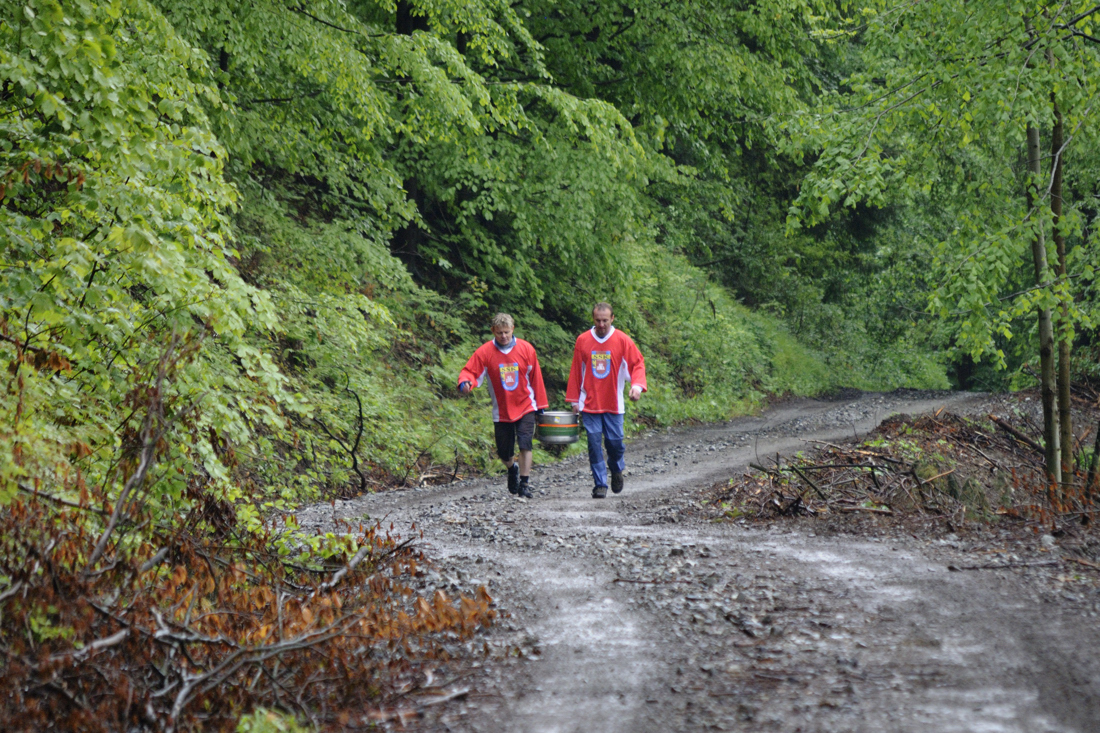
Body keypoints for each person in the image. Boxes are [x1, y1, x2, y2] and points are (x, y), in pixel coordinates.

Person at [458, 313, 548, 499]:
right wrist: (465, 383)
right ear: (493, 331)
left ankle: (524, 483)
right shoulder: (485, 352)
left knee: (525, 443)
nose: (503, 336)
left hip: (525, 405)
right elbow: (470, 371)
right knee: (504, 451)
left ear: (513, 329)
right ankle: (512, 468)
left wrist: (541, 406)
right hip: (502, 409)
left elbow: (536, 378)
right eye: (499, 333)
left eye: (506, 332)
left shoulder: (526, 349)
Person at [566, 302, 647, 499]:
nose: (601, 324)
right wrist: (574, 400)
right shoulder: (583, 340)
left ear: (612, 319)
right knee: (594, 444)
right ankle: (600, 484)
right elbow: (576, 371)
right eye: (597, 320)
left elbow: (637, 364)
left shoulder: (622, 340)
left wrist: (636, 387)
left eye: (605, 320)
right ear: (593, 320)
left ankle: (616, 468)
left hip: (614, 403)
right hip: (589, 403)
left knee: (615, 443)